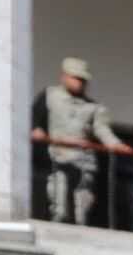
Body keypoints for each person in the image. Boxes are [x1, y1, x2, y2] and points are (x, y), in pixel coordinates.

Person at [38, 56, 128, 223]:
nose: (80, 83)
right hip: (58, 160)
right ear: (64, 76)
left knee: (82, 208)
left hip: (84, 163)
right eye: (76, 78)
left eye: (83, 80)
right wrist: (36, 130)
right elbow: (36, 119)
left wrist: (117, 145)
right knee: (59, 205)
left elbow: (103, 129)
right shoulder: (50, 96)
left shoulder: (95, 107)